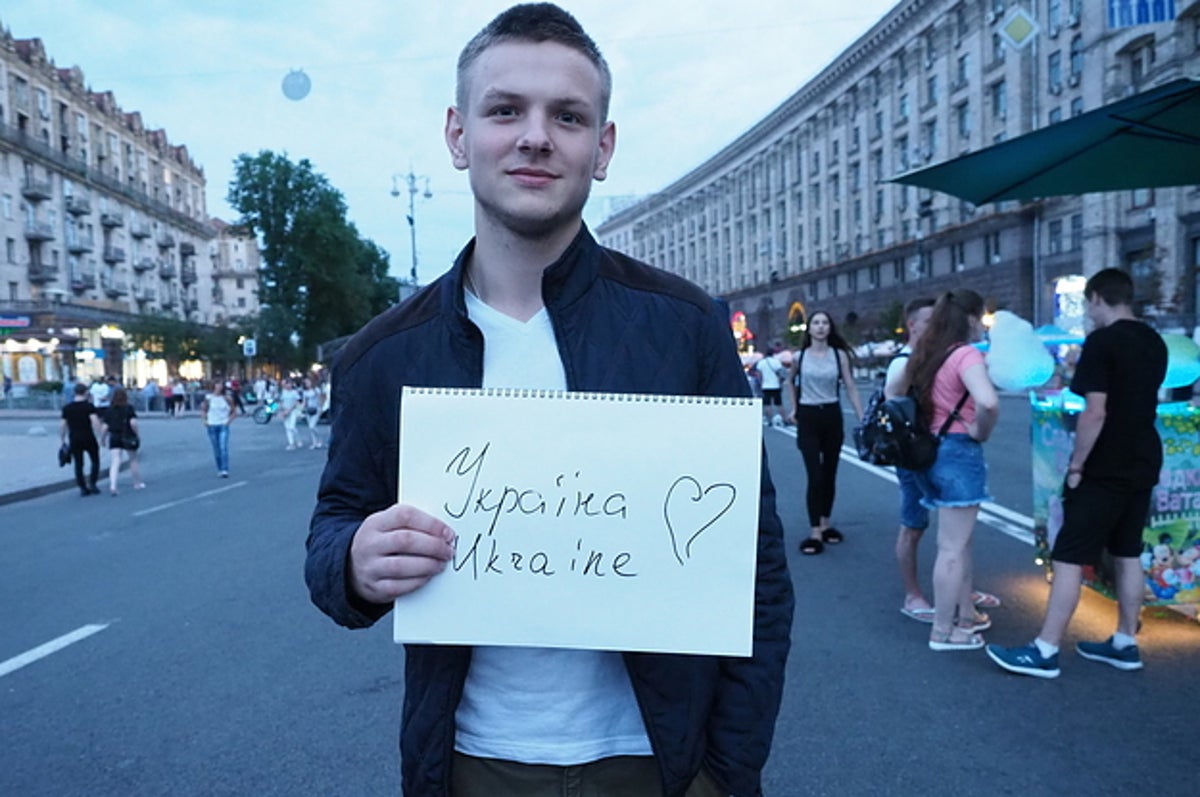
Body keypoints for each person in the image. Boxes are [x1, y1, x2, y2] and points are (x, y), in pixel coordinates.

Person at [305, 6, 794, 795]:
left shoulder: (683, 326)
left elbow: (757, 573)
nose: (536, 136)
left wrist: (726, 771)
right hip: (471, 760)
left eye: (567, 116)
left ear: (601, 148)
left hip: (656, 761)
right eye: (506, 110)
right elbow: (332, 528)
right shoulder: (384, 355)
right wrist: (355, 562)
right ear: (458, 135)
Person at [987, 269, 1167, 678]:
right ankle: (1125, 641)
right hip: (1143, 458)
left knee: (1068, 554)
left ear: (1097, 298)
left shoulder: (1102, 342)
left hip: (1106, 462)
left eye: (1089, 304)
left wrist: (1077, 465)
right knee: (1127, 551)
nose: (1088, 312)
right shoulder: (1154, 341)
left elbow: (1095, 412)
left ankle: (1045, 649)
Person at [887, 289, 999, 651]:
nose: (982, 323)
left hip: (928, 451)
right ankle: (943, 632)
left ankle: (964, 619)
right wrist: (979, 430)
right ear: (968, 319)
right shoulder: (965, 354)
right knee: (952, 548)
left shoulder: (927, 355)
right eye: (981, 316)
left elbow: (892, 391)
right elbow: (988, 401)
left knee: (956, 544)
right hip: (958, 453)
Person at [784, 310, 863, 555]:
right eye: (816, 323)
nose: (820, 327)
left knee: (830, 473)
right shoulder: (800, 357)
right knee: (815, 475)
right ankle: (814, 531)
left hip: (831, 414)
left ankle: (826, 524)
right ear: (809, 329)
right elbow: (790, 381)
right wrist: (794, 408)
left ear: (830, 328)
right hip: (808, 417)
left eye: (824, 323)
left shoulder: (839, 356)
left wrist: (862, 416)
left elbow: (850, 385)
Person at [100, 387, 144, 495]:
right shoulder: (129, 408)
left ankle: (113, 485)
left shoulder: (109, 410)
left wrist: (102, 439)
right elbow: (133, 423)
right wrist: (137, 434)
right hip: (128, 436)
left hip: (114, 437)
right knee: (133, 460)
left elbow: (104, 427)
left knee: (115, 461)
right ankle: (137, 483)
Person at [60, 382, 101, 496]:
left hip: (74, 437)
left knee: (78, 463)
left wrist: (62, 439)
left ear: (74, 393)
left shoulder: (67, 408)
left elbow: (62, 425)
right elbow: (95, 421)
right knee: (95, 460)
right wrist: (100, 435)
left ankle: (82, 487)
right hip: (88, 436)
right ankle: (93, 483)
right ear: (86, 392)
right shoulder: (89, 407)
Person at [200, 380, 237, 477]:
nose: (219, 387)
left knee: (223, 447)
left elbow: (234, 412)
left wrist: (228, 422)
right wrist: (204, 421)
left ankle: (225, 469)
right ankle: (220, 468)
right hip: (212, 425)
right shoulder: (208, 398)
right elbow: (204, 410)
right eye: (217, 384)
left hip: (223, 425)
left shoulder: (227, 398)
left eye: (220, 384)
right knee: (216, 449)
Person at [755, 344, 787, 427]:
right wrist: (780, 382)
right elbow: (780, 373)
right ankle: (784, 419)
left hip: (765, 386)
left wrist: (761, 383)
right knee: (779, 403)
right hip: (776, 386)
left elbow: (759, 375)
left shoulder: (761, 363)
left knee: (767, 404)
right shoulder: (776, 362)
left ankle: (770, 420)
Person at [301, 376, 324, 449]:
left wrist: (320, 408)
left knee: (312, 426)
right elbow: (304, 401)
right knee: (310, 427)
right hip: (308, 409)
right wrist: (302, 408)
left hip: (316, 409)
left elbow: (320, 399)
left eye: (308, 382)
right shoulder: (305, 391)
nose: (307, 384)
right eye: (306, 383)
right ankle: (314, 442)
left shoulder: (316, 390)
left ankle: (319, 439)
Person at [279, 378, 302, 450]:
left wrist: (290, 410)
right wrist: (283, 410)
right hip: (285, 410)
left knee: (292, 427)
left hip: (293, 411)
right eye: (287, 384)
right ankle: (291, 443)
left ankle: (298, 439)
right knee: (287, 428)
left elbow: (297, 402)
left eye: (290, 384)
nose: (288, 385)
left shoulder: (294, 392)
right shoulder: (283, 392)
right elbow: (281, 402)